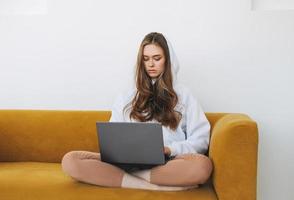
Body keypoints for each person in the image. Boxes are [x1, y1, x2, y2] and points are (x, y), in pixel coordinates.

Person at [61, 32, 213, 191]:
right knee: (71, 160)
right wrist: (120, 153)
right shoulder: (126, 96)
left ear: (167, 60)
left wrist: (169, 149)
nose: (151, 64)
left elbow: (200, 140)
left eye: (157, 58)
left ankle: (130, 179)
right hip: (127, 163)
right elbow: (114, 136)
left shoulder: (184, 95)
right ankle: (153, 185)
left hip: (168, 162)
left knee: (203, 166)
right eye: (146, 59)